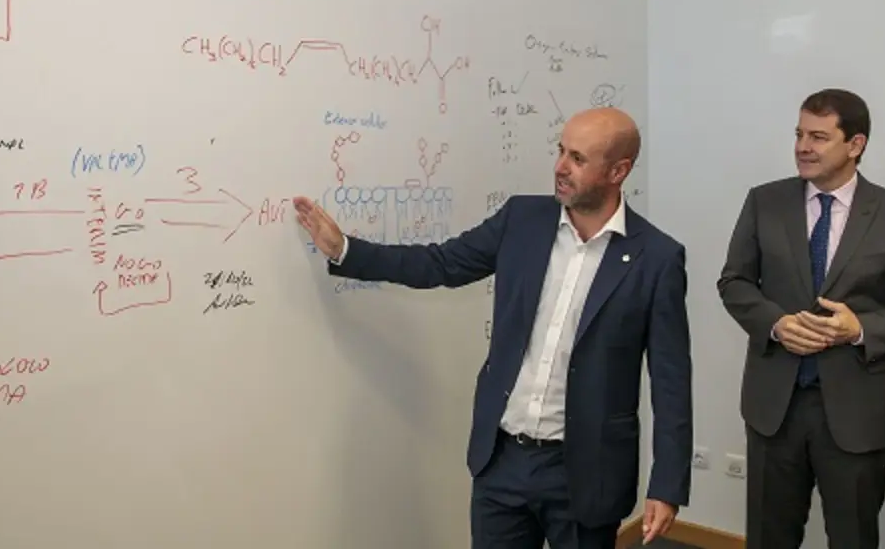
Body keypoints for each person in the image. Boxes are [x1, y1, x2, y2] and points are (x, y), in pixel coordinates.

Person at [292, 107, 692, 549]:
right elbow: (440, 263)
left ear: (618, 171)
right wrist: (346, 250)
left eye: (578, 158)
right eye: (560, 151)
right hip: (502, 462)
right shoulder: (522, 219)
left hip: (586, 471)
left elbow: (671, 380)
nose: (560, 167)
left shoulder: (656, 258)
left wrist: (667, 484)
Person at [717, 88, 885, 549]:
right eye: (799, 134)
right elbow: (734, 282)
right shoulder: (765, 202)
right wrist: (776, 323)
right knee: (768, 537)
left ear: (855, 144)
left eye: (818, 137)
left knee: (853, 537)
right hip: (774, 409)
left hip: (858, 411)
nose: (803, 146)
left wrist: (860, 329)